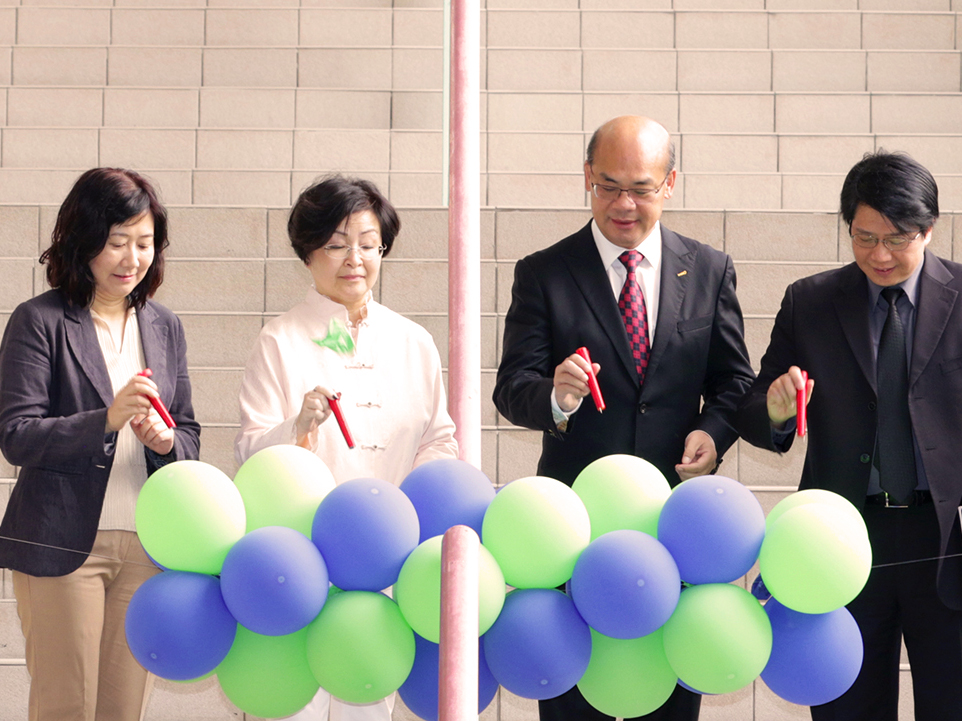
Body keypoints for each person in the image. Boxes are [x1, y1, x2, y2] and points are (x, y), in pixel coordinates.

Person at [493, 115, 754, 721]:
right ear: (586, 177)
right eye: (607, 186)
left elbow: (733, 381)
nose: (623, 204)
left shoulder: (710, 270)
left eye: (640, 187)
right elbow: (512, 388)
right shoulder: (544, 272)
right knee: (572, 698)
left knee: (666, 696)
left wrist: (712, 434)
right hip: (573, 532)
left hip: (674, 531)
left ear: (670, 184)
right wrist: (557, 397)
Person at [735, 150, 962, 720]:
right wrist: (778, 409)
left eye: (896, 239)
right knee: (847, 705)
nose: (879, 255)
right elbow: (754, 408)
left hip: (946, 539)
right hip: (840, 541)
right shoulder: (810, 301)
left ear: (930, 228)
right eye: (863, 237)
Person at [235, 174, 458, 720]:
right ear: (307, 253)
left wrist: (409, 505)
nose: (353, 258)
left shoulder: (413, 342)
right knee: (293, 706)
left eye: (367, 242)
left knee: (366, 696)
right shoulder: (281, 340)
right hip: (300, 559)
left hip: (382, 560)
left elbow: (440, 440)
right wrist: (297, 426)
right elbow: (247, 448)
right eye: (335, 244)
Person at [0, 167, 201, 721]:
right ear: (83, 239)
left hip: (146, 545)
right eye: (117, 243)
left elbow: (188, 435)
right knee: (66, 707)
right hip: (65, 546)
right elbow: (17, 435)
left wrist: (165, 442)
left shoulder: (164, 326)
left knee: (122, 710)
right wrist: (105, 420)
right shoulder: (38, 321)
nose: (131, 259)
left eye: (144, 244)